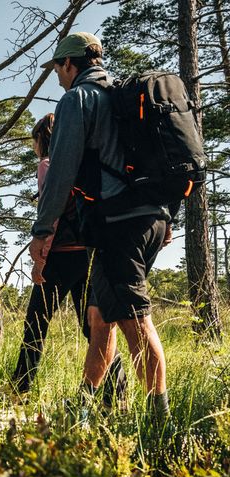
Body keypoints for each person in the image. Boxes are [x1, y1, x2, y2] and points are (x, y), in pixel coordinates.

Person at [29, 32, 173, 424]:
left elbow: (61, 171)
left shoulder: (78, 99)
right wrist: (167, 217)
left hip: (118, 223)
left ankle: (161, 424)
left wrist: (42, 231)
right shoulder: (124, 97)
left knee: (134, 320)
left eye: (58, 68)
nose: (57, 76)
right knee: (99, 317)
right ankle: (86, 410)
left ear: (69, 63)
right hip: (149, 218)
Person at [16, 114, 128, 402]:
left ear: (42, 139)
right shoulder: (83, 164)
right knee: (94, 328)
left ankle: (20, 389)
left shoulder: (48, 165)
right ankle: (117, 395)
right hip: (89, 255)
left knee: (36, 322)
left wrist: (40, 258)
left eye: (34, 140)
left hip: (60, 256)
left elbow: (51, 213)